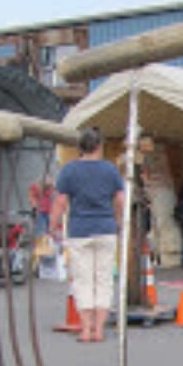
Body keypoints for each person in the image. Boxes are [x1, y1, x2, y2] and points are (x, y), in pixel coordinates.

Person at [51, 126, 124, 344]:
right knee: (103, 279)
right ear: (99, 146)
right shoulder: (110, 170)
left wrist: (53, 226)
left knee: (83, 280)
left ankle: (85, 329)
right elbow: (120, 199)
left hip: (80, 230)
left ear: (79, 148)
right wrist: (119, 221)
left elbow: (61, 202)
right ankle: (99, 329)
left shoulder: (69, 170)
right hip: (106, 228)